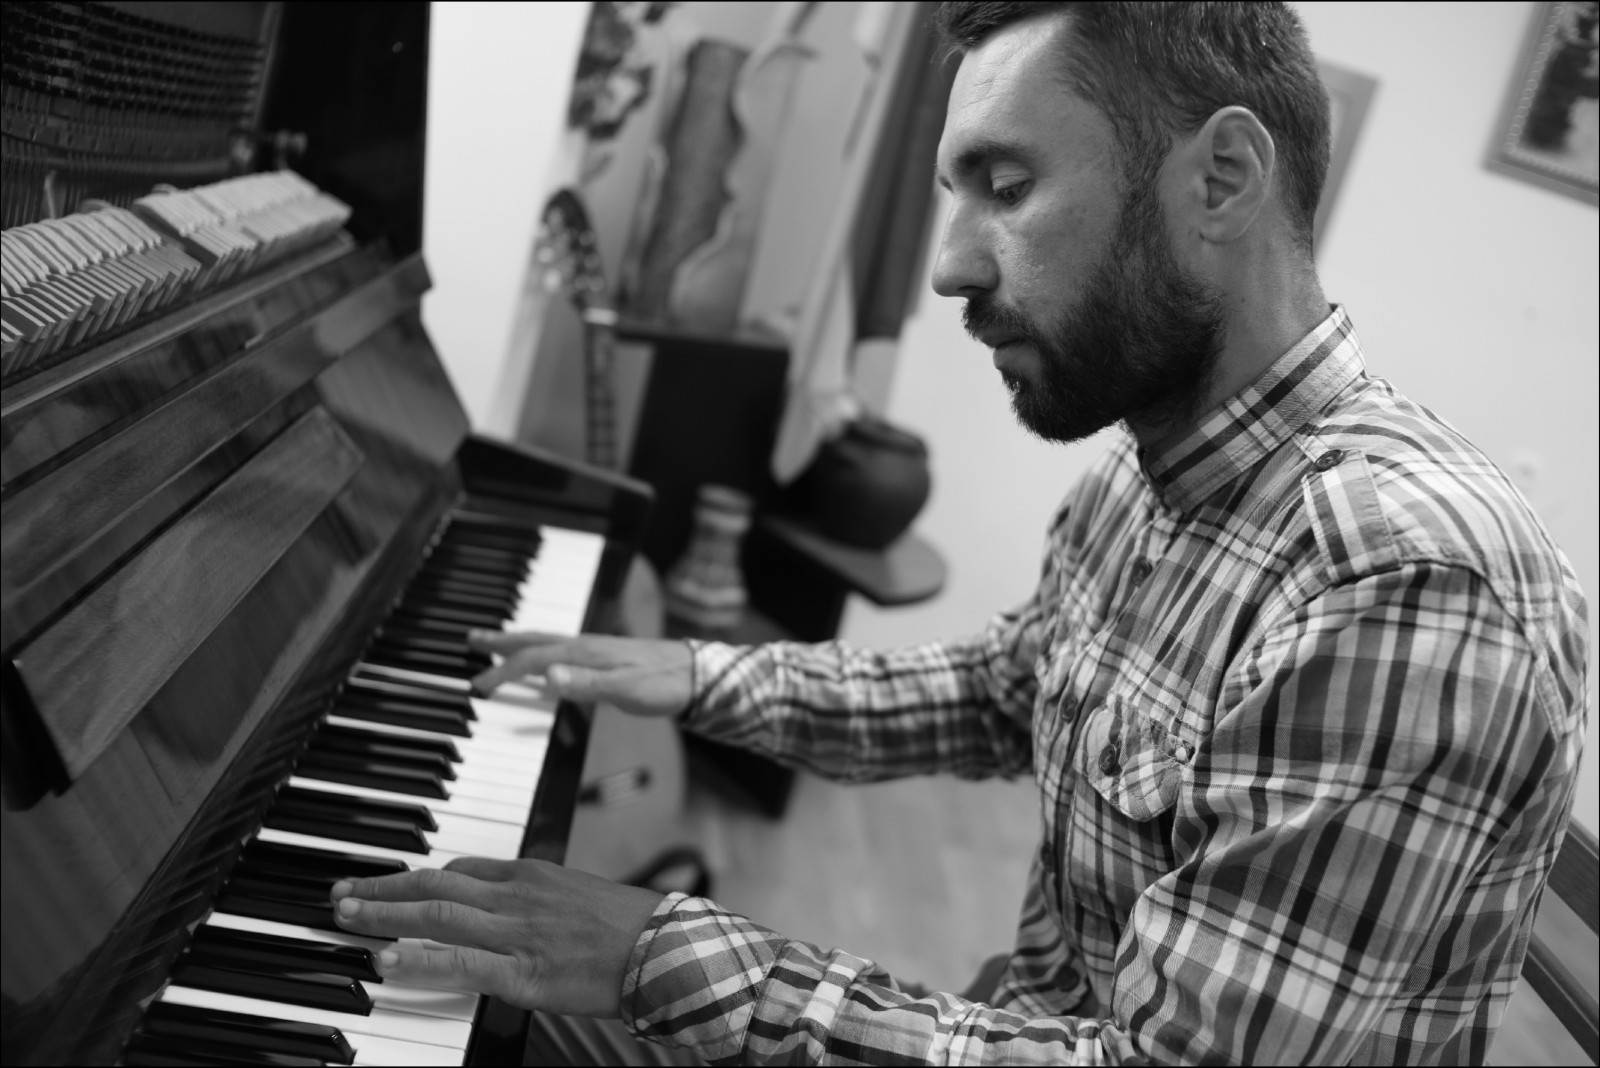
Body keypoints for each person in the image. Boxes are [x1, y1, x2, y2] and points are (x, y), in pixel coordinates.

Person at [327, 3, 1591, 1063]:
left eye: (1007, 186)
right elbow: (1001, 692)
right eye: (953, 194)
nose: (946, 269)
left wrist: (661, 952)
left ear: (1221, 179)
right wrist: (698, 676)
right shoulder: (1142, 475)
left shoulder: (1407, 581)